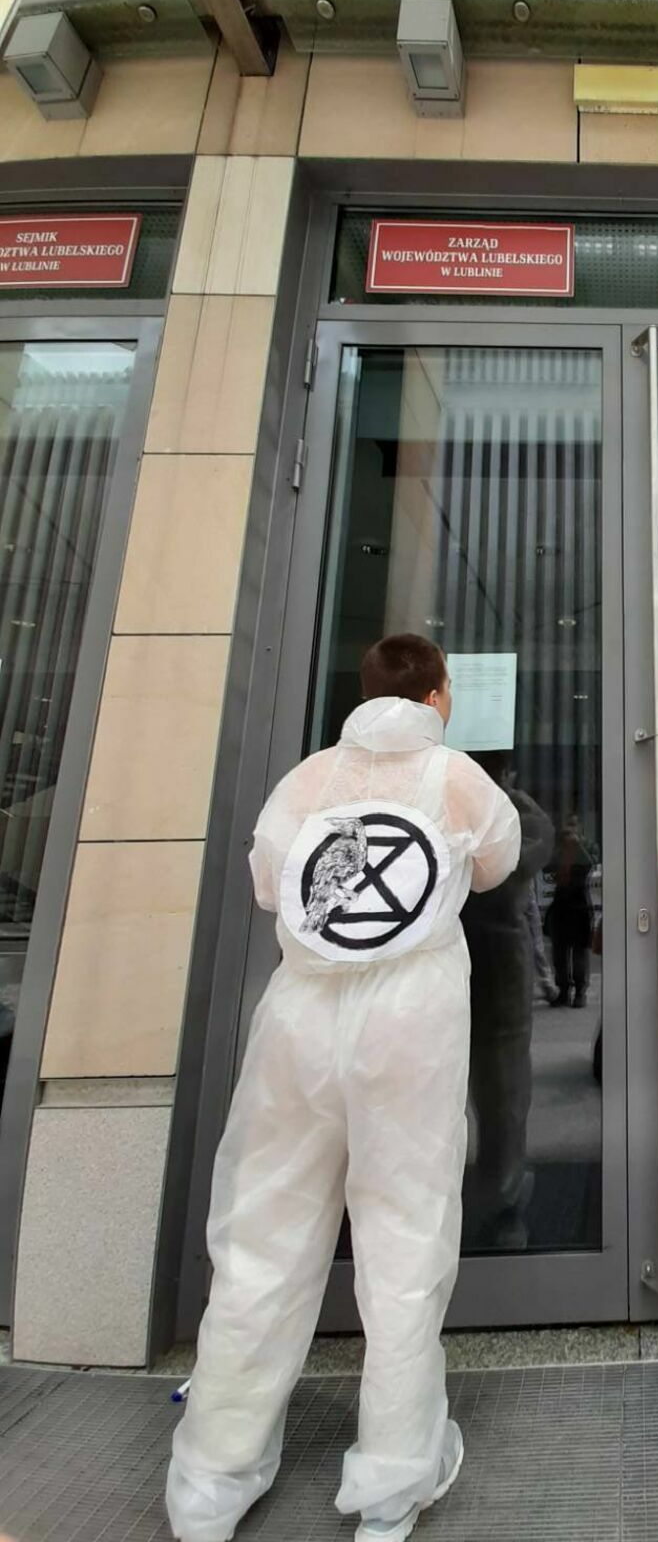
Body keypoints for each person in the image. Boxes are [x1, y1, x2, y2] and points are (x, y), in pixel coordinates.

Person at [166, 635, 521, 1542]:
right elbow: (497, 864)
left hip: (301, 1015)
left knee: (262, 1236)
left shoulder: (307, 779)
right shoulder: (457, 778)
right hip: (411, 1021)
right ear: (437, 696)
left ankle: (211, 1482)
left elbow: (267, 886)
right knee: (404, 1240)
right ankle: (393, 1487)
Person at [462, 754, 555, 1250]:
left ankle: (501, 1200)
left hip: (495, 961)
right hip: (460, 957)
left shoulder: (513, 812)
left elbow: (535, 845)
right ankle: (491, 1199)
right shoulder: (467, 801)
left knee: (503, 1091)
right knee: (489, 1090)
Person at [545, 813, 595, 1008]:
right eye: (568, 826)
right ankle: (563, 990)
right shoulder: (559, 848)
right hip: (561, 904)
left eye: (574, 825)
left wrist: (577, 845)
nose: (570, 830)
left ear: (580, 828)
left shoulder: (587, 846)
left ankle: (580, 991)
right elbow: (547, 867)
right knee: (559, 953)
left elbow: (589, 864)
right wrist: (560, 846)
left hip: (580, 905)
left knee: (579, 953)